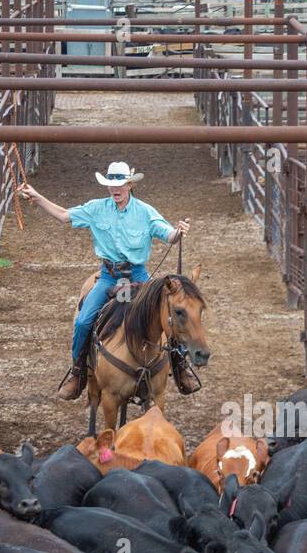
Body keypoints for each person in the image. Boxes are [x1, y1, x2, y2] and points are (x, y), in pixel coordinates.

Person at [19, 162, 191, 400]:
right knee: (82, 322)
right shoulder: (96, 209)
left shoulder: (145, 212)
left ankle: (181, 365)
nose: (115, 189)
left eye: (119, 184)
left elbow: (168, 235)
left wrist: (178, 231)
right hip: (109, 276)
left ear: (130, 185)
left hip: (139, 276)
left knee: (168, 314)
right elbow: (64, 215)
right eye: (111, 184)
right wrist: (37, 197)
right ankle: (78, 371)